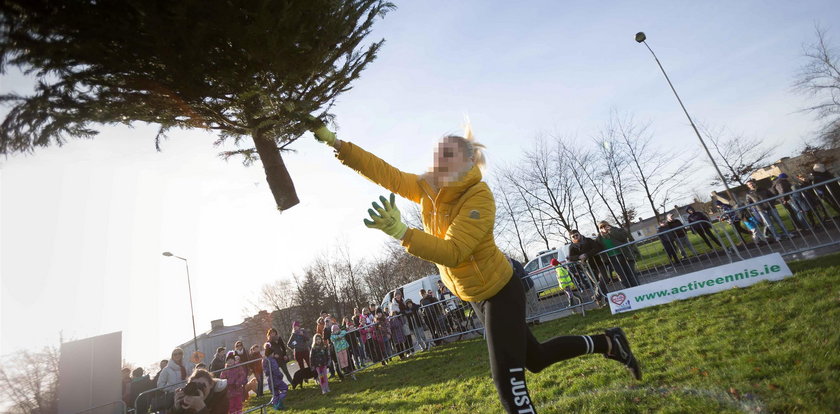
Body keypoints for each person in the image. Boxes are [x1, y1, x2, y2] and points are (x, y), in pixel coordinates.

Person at [309, 121, 641, 413]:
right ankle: (609, 342)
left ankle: (608, 343)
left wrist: (403, 233)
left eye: (449, 156)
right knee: (536, 359)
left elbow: (454, 252)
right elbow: (387, 173)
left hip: (500, 291)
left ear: (468, 161)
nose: (440, 162)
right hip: (474, 295)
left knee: (507, 382)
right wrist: (338, 144)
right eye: (438, 155)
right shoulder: (427, 187)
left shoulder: (479, 197)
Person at [566, 230, 609, 304]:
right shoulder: (572, 247)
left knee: (604, 279)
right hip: (586, 267)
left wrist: (586, 255)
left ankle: (596, 297)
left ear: (580, 234)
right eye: (573, 236)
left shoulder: (588, 240)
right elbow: (570, 257)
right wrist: (579, 257)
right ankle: (606, 300)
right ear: (571, 238)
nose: (576, 237)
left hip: (598, 263)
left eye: (577, 235)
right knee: (597, 283)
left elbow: (598, 248)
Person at [596, 221, 640, 288]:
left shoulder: (617, 230)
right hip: (613, 259)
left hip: (625, 256)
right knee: (622, 277)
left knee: (631, 274)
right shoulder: (599, 238)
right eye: (601, 227)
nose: (603, 228)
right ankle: (630, 292)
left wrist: (611, 230)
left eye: (604, 225)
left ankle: (638, 290)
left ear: (608, 224)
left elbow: (622, 238)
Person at [261, 343, 287, 411]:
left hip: (270, 380)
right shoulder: (272, 360)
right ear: (271, 353)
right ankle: (278, 402)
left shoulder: (264, 361)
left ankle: (277, 406)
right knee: (285, 388)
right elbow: (275, 369)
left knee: (275, 394)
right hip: (276, 379)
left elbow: (266, 372)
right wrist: (280, 375)